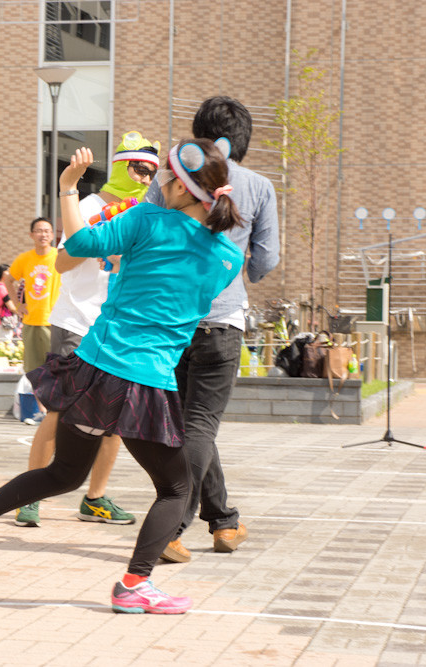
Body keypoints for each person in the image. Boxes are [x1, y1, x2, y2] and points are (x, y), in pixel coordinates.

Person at [0, 138, 245, 614]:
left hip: (94, 368)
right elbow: (176, 296)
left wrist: (68, 188)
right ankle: (134, 585)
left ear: (185, 190)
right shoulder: (228, 258)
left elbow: (79, 247)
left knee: (64, 472)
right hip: (144, 381)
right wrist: (129, 263)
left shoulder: (144, 219)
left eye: (166, 178)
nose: (159, 184)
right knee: (176, 489)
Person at [144, 97, 280, 563]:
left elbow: (146, 231)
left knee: (190, 424)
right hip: (222, 320)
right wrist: (245, 271)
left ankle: (224, 520)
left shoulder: (170, 178)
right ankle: (171, 527)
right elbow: (266, 259)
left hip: (172, 320)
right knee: (199, 425)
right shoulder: (259, 186)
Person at [14, 131, 159, 529]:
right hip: (77, 322)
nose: (145, 178)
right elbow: (60, 264)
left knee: (115, 421)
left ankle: (94, 498)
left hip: (119, 328)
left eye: (151, 172)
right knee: (59, 412)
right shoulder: (89, 205)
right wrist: (98, 241)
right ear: (120, 166)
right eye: (138, 168)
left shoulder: (145, 214)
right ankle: (30, 496)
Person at [3, 217, 60, 419]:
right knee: (34, 371)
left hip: (55, 322)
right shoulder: (25, 258)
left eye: (47, 231)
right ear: (31, 235)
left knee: (56, 369)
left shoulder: (59, 256)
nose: (43, 234)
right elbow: (8, 279)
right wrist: (18, 305)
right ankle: (42, 411)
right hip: (31, 321)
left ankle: (54, 411)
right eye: (39, 231)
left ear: (52, 235)